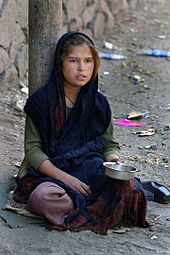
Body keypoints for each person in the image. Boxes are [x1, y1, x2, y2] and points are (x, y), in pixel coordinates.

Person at [14, 31, 148, 233]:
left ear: (95, 65)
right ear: (61, 63)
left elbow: (109, 142)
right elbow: (33, 151)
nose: (82, 68)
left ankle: (88, 204)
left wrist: (114, 160)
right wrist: (67, 179)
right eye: (73, 60)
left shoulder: (99, 103)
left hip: (90, 167)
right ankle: (99, 205)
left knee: (130, 186)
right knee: (41, 198)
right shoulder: (41, 103)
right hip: (55, 171)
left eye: (88, 61)